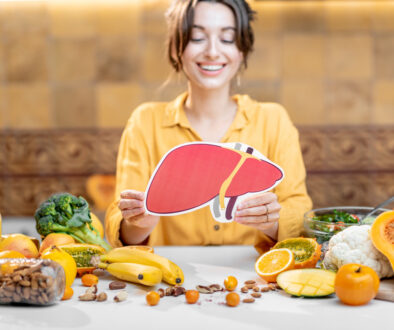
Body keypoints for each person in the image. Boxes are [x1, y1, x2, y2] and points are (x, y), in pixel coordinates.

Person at [105, 0, 312, 252]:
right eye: (197, 37)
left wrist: (271, 222)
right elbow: (121, 226)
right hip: (170, 280)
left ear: (242, 51)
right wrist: (139, 224)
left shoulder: (274, 120)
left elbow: (300, 212)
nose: (213, 52)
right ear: (175, 49)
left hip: (253, 279)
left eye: (227, 39)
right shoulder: (144, 122)